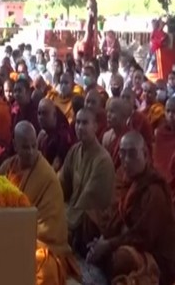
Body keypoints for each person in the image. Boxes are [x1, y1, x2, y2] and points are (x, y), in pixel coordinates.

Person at [87, 132, 175, 285]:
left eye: (132, 154)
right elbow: (117, 215)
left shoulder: (154, 190)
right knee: (89, 220)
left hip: (156, 257)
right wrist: (104, 239)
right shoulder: (128, 179)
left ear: (145, 154)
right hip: (132, 240)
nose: (126, 160)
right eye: (122, 154)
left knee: (121, 258)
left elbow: (144, 237)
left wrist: (109, 245)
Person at [0, 121, 80, 285]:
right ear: (15, 145)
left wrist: (15, 235)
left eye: (34, 146)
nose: (30, 152)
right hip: (7, 232)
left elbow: (49, 229)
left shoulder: (47, 177)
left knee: (44, 268)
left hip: (39, 243)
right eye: (25, 147)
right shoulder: (9, 166)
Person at [59, 108, 114, 257]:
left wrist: (61, 219)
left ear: (95, 126)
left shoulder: (103, 160)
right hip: (73, 213)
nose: (80, 127)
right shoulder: (75, 151)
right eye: (77, 122)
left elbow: (88, 203)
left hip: (90, 222)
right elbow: (61, 183)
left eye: (85, 123)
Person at [37, 98, 76, 171]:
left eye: (44, 113)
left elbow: (56, 167)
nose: (41, 117)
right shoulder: (42, 134)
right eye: (39, 113)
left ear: (54, 115)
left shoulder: (63, 136)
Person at [153, 96, 175, 180]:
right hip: (160, 181)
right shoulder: (160, 133)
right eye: (168, 111)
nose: (170, 115)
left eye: (174, 112)